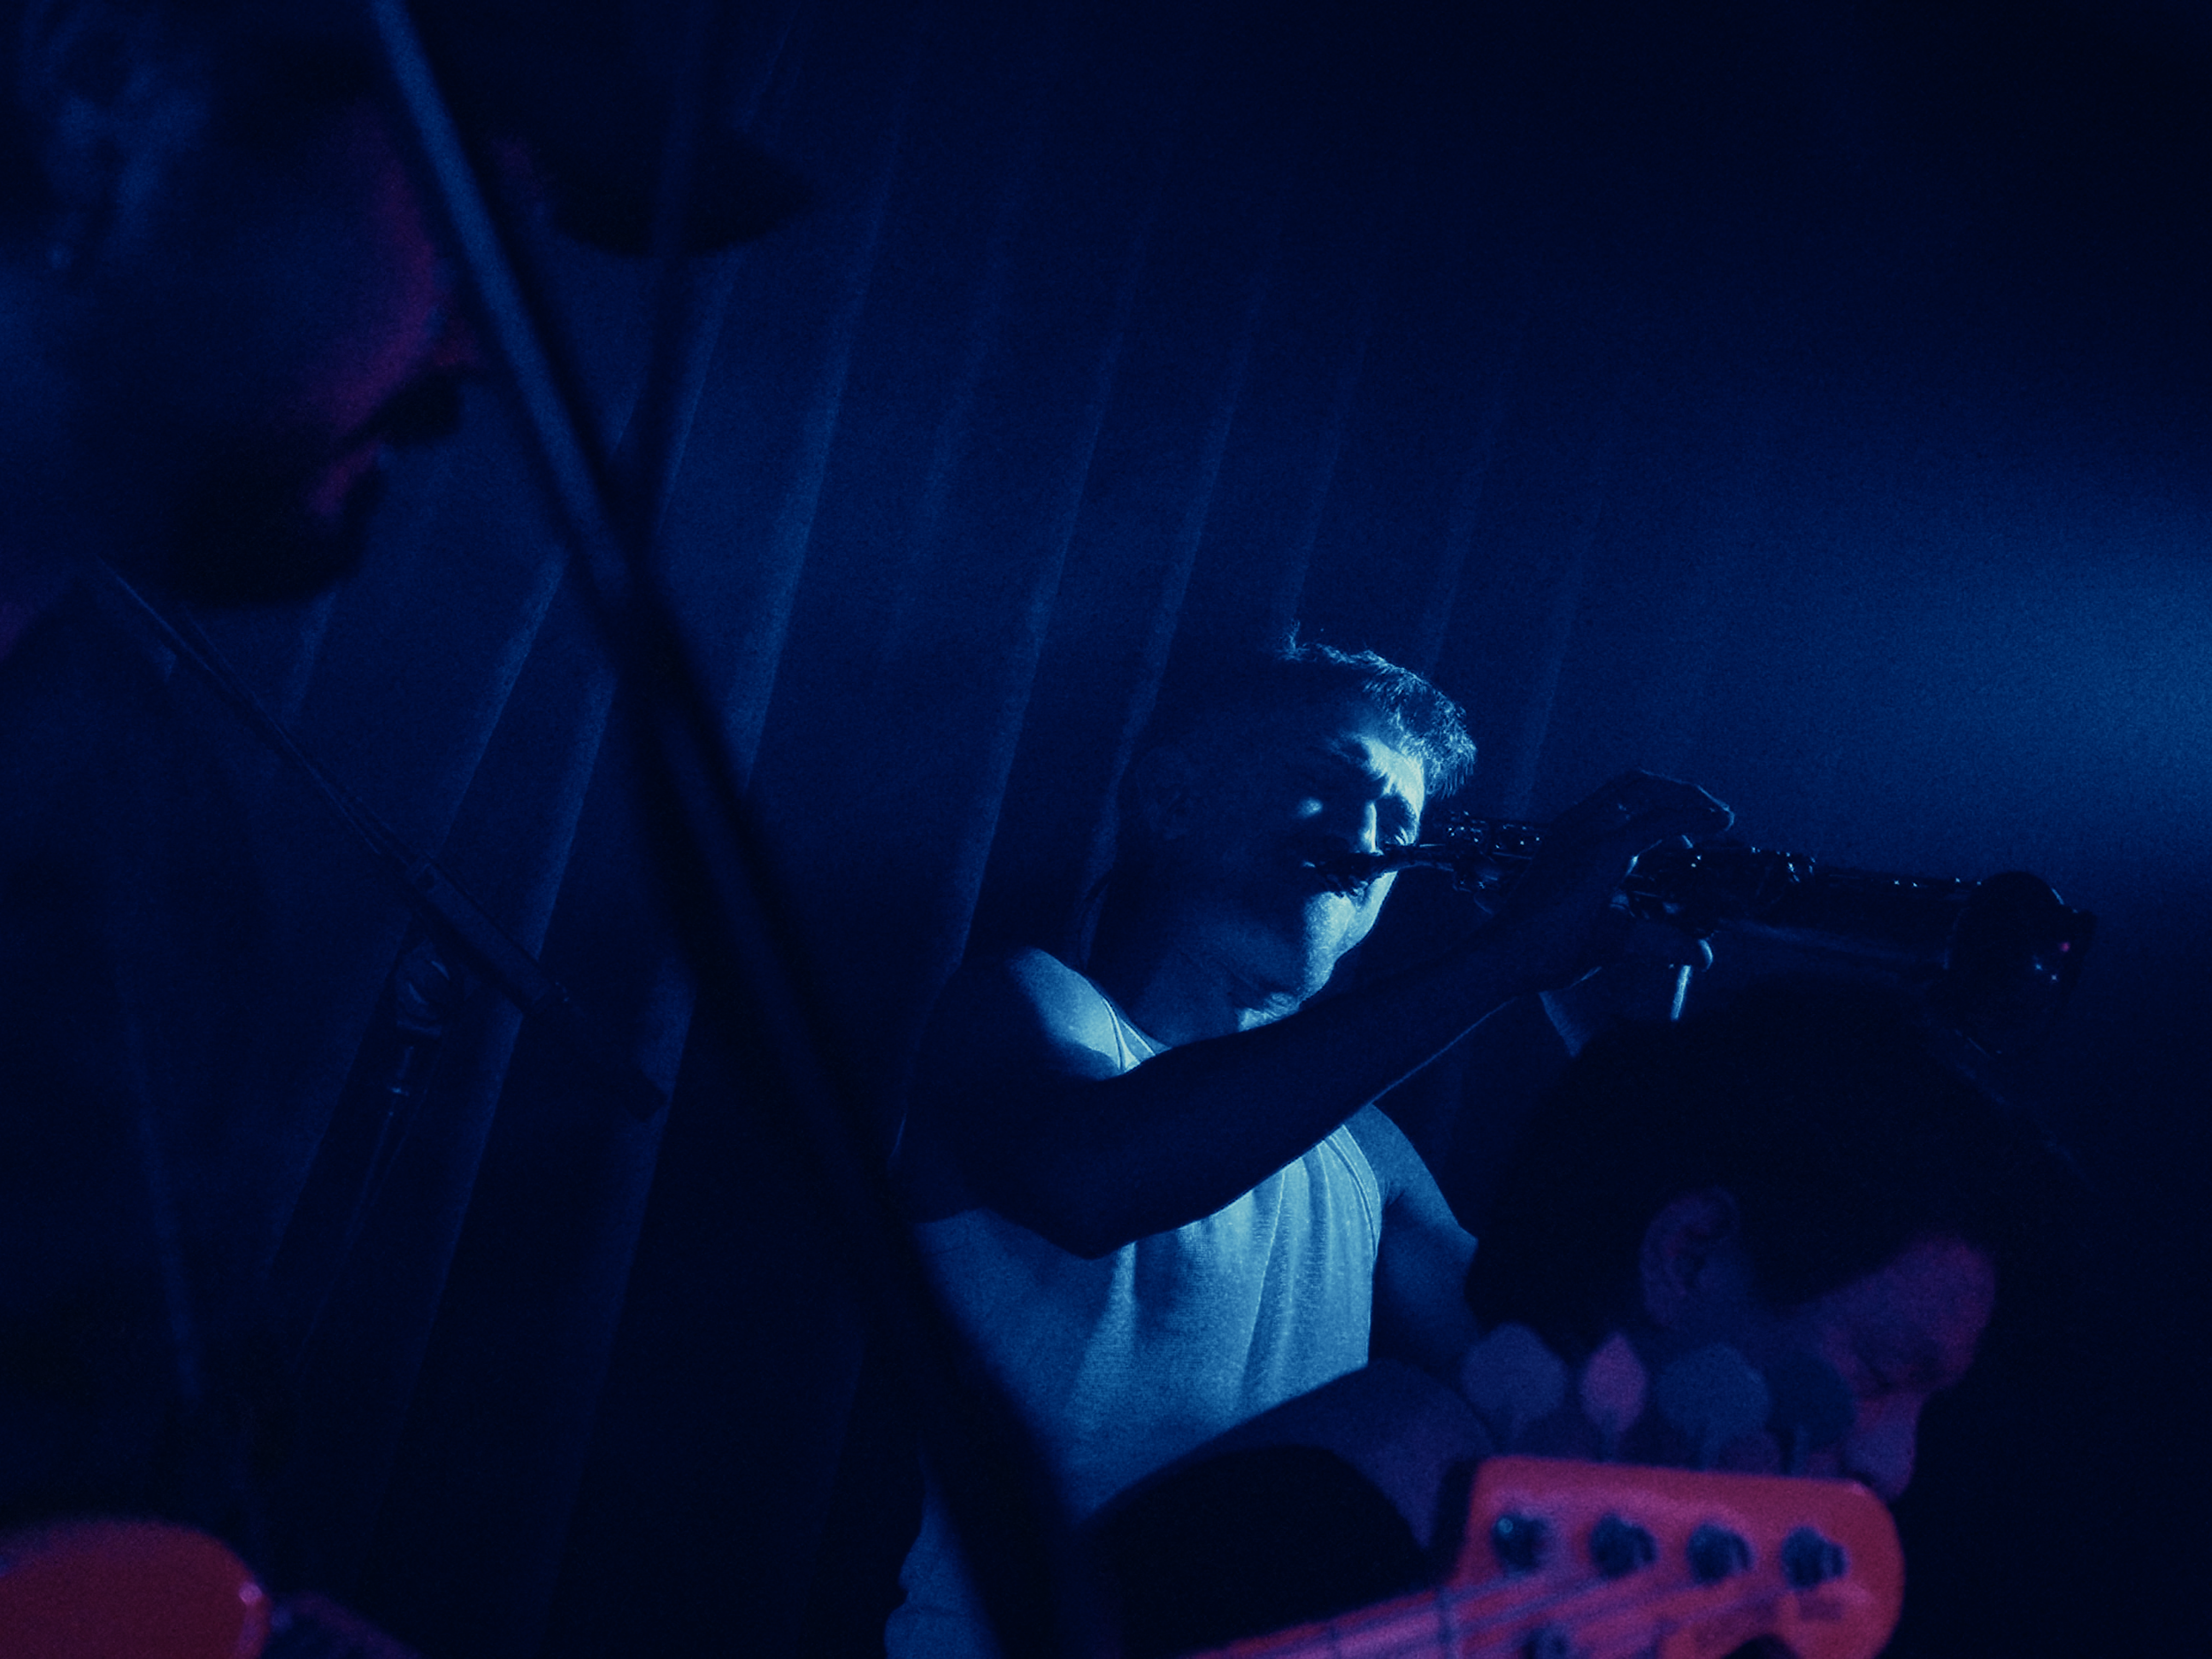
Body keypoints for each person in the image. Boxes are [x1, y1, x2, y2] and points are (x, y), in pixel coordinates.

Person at [0, 0, 795, 1597]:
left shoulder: (143, 824)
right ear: (109, 109)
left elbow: (117, 1453)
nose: (485, 342)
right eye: (470, 208)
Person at [886, 639, 1731, 1658]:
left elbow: (1560, 1381)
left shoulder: (1366, 1150)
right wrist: (1512, 952)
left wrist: (1625, 1058)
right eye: (1330, 780)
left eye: (1399, 824)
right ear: (1171, 797)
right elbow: (1090, 1181)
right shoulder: (1026, 1002)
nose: (1368, 838)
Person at [1084, 979, 2070, 1659]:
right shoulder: (1301, 1539)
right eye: (1881, 1372)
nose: (1893, 1466)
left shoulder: (1571, 1565)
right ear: (1688, 1256)